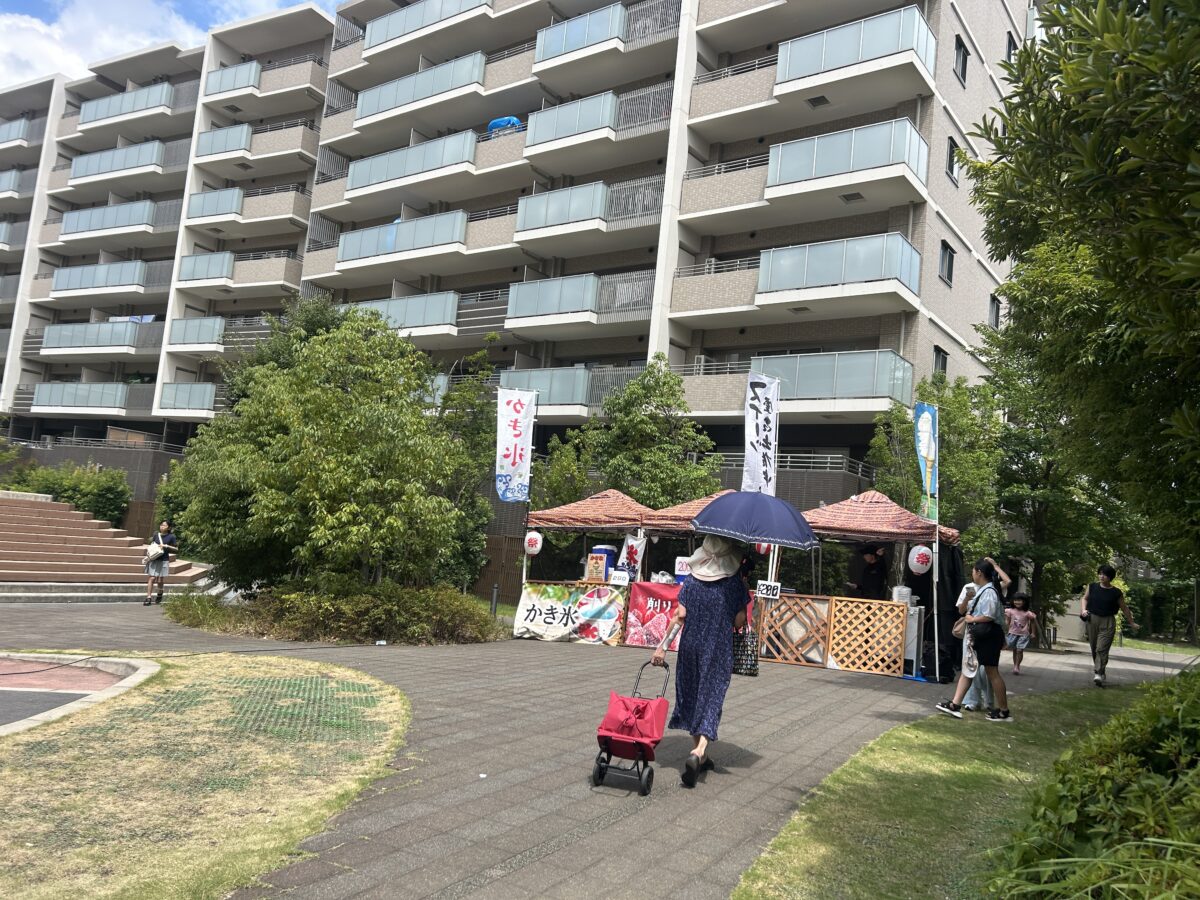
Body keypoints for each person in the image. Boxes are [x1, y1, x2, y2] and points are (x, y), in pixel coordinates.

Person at [651, 534, 748, 787]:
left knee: (692, 696)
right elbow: (738, 622)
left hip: (690, 646)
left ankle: (702, 758)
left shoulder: (691, 582)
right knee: (712, 697)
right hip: (718, 648)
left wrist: (662, 648)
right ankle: (699, 750)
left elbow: (679, 616)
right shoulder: (734, 584)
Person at [936, 559, 1013, 722]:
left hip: (986, 636)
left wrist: (972, 619)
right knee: (969, 670)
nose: (972, 573)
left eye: (973, 570)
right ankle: (955, 705)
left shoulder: (989, 591)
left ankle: (1003, 711)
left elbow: (989, 615)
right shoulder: (988, 589)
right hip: (983, 636)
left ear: (979, 572)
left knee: (992, 673)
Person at [1080, 564, 1138, 686]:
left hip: (1108, 621)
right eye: (1100, 573)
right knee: (1094, 648)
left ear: (1110, 577)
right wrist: (1084, 610)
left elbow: (1124, 608)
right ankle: (1101, 671)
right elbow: (1084, 598)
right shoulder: (1092, 586)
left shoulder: (1116, 592)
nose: (1101, 576)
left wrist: (1131, 622)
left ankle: (1098, 672)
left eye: (1104, 574)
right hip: (1092, 619)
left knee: (1101, 648)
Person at [956, 583, 994, 712]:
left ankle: (989, 700)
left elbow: (1007, 582)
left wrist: (996, 569)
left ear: (980, 573)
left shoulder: (991, 588)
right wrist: (967, 597)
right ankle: (972, 701)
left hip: (987, 632)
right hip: (971, 632)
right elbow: (961, 610)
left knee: (987, 670)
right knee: (971, 666)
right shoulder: (968, 587)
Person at [143, 520, 177, 606]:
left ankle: (160, 593)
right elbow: (152, 544)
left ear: (169, 527)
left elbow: (176, 549)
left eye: (164, 525)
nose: (162, 526)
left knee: (160, 580)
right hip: (154, 558)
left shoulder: (171, 536)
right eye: (161, 525)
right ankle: (148, 597)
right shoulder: (156, 534)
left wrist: (166, 546)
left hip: (163, 559)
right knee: (152, 578)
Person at [1005, 592, 1039, 675]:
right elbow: (1007, 622)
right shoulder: (1010, 611)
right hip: (1012, 633)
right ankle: (1015, 665)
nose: (1017, 602)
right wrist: (1005, 631)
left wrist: (1033, 632)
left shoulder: (1027, 613)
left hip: (1023, 634)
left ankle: (1017, 666)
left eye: (1020, 600)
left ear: (1024, 602)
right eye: (1015, 600)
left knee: (1019, 650)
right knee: (1014, 650)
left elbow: (1033, 622)